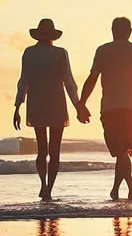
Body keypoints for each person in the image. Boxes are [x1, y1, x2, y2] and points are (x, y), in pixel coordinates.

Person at [78, 17, 132, 200]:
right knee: (121, 151)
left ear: (113, 30)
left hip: (109, 108)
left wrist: (82, 104)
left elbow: (92, 79)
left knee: (121, 150)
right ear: (129, 31)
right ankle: (127, 187)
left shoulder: (103, 51)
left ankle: (120, 189)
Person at [14, 18, 88, 201]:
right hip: (56, 103)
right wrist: (78, 105)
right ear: (53, 36)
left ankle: (43, 184)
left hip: (37, 103)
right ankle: (49, 189)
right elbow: (69, 82)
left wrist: (17, 106)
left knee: (42, 149)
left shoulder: (29, 53)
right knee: (54, 150)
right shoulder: (60, 53)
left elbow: (23, 82)